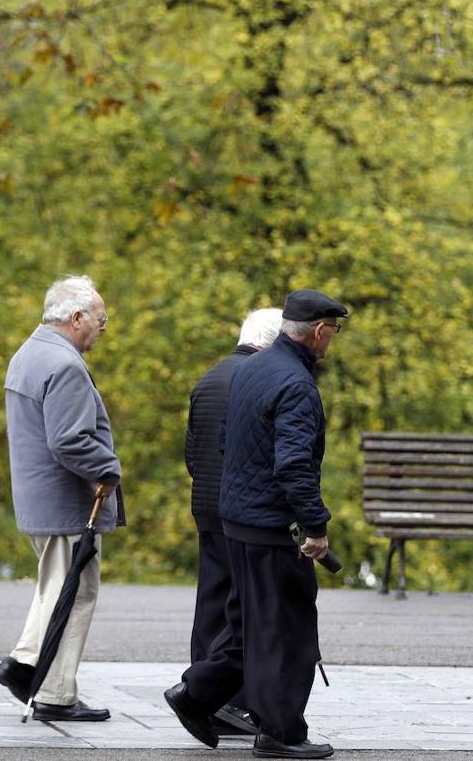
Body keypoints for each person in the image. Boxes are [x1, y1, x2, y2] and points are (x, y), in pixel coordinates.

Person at [165, 289, 347, 760]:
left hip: (236, 522)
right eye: (335, 331)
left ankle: (196, 695)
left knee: (249, 626)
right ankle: (281, 733)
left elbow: (227, 442)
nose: (333, 341)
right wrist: (316, 526)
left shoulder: (251, 370)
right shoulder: (297, 385)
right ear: (321, 330)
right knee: (288, 630)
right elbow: (294, 466)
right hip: (270, 527)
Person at [0, 275, 123, 722]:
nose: (103, 329)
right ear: (76, 317)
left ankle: (28, 667)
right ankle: (51, 689)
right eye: (100, 320)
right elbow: (69, 440)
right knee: (75, 593)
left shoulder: (28, 353)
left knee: (57, 588)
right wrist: (108, 468)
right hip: (66, 502)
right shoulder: (63, 364)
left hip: (39, 499)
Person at [183, 307, 284, 737]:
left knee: (211, 602)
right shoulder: (258, 380)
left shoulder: (209, 377)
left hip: (205, 503)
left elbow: (192, 449)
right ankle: (226, 701)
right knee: (244, 609)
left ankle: (201, 695)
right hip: (240, 511)